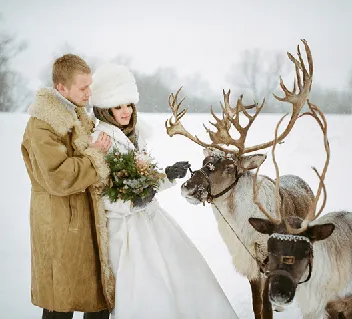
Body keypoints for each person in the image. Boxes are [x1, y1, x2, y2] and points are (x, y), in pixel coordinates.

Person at [90, 63, 239, 319]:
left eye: (129, 105)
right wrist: (134, 203)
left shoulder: (135, 135)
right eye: (118, 106)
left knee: (184, 273)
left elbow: (144, 184)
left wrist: (167, 176)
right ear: (105, 109)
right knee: (148, 289)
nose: (126, 111)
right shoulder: (101, 141)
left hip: (152, 221)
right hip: (124, 232)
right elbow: (99, 195)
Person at [21, 54, 116, 319]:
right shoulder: (43, 123)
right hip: (60, 225)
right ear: (61, 88)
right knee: (59, 306)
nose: (89, 92)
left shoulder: (79, 117)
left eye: (90, 86)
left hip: (86, 223)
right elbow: (58, 177)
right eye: (83, 87)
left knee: (97, 303)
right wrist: (95, 156)